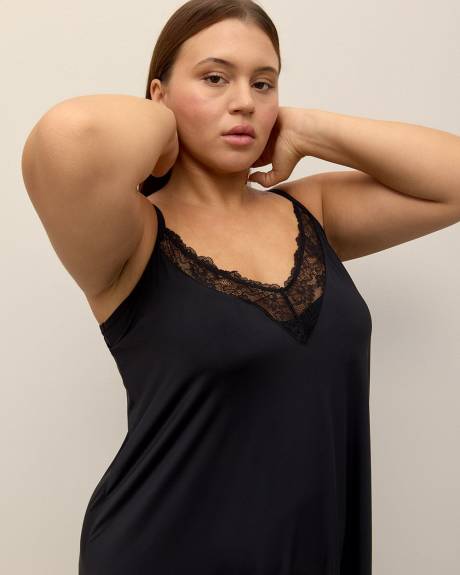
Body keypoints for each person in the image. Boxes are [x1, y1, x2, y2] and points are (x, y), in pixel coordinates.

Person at [21, 1, 460, 574]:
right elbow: (71, 134)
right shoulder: (132, 236)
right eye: (214, 78)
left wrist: (310, 128)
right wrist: (164, 131)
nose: (245, 102)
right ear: (158, 95)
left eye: (263, 83)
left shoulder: (311, 211)